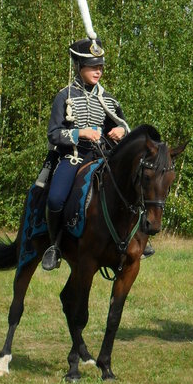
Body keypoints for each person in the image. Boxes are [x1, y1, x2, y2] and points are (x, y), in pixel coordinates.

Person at [41, 36, 130, 271]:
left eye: (100, 66)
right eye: (93, 66)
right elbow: (53, 134)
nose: (98, 71)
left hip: (103, 158)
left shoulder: (108, 99)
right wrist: (80, 133)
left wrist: (121, 130)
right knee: (55, 198)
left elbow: (122, 126)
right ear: (79, 67)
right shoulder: (65, 96)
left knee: (132, 187)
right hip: (74, 157)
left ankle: (134, 239)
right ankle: (54, 245)